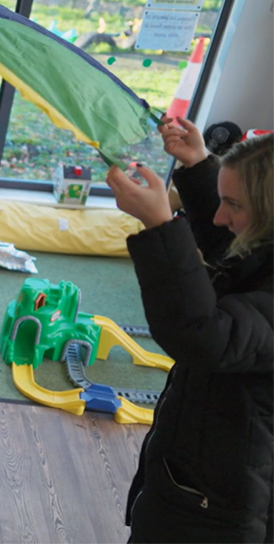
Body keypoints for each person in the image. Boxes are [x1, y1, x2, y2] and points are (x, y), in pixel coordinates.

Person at [106, 116, 272, 543]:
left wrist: (162, 228)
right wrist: (198, 164)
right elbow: (231, 252)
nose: (219, 217)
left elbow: (202, 334)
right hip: (200, 478)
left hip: (225, 506)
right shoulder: (262, 249)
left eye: (233, 203)